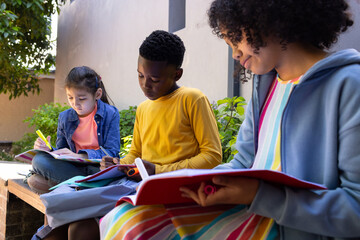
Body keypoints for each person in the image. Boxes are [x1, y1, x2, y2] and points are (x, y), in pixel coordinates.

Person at [99, 1, 360, 239]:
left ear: (270, 17)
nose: (235, 54)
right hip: (253, 213)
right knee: (127, 218)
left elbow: (355, 211)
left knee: (134, 229)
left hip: (295, 229)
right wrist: (201, 183)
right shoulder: (266, 84)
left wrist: (258, 195)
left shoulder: (349, 85)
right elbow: (243, 162)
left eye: (236, 38)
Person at [100, 30, 222, 176]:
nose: (145, 84)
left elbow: (212, 156)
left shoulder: (192, 99)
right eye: (140, 75)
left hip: (180, 187)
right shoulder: (143, 109)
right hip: (144, 185)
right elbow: (136, 154)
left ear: (177, 74)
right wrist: (117, 165)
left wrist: (158, 171)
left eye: (155, 80)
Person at [28, 66, 120, 194]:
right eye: (70, 97)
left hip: (98, 168)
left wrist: (80, 155)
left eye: (81, 99)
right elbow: (62, 152)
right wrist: (48, 149)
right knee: (39, 160)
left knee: (37, 181)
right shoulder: (65, 117)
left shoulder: (111, 114)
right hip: (74, 168)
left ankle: (74, 186)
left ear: (97, 94)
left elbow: (112, 152)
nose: (75, 104)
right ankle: (86, 187)